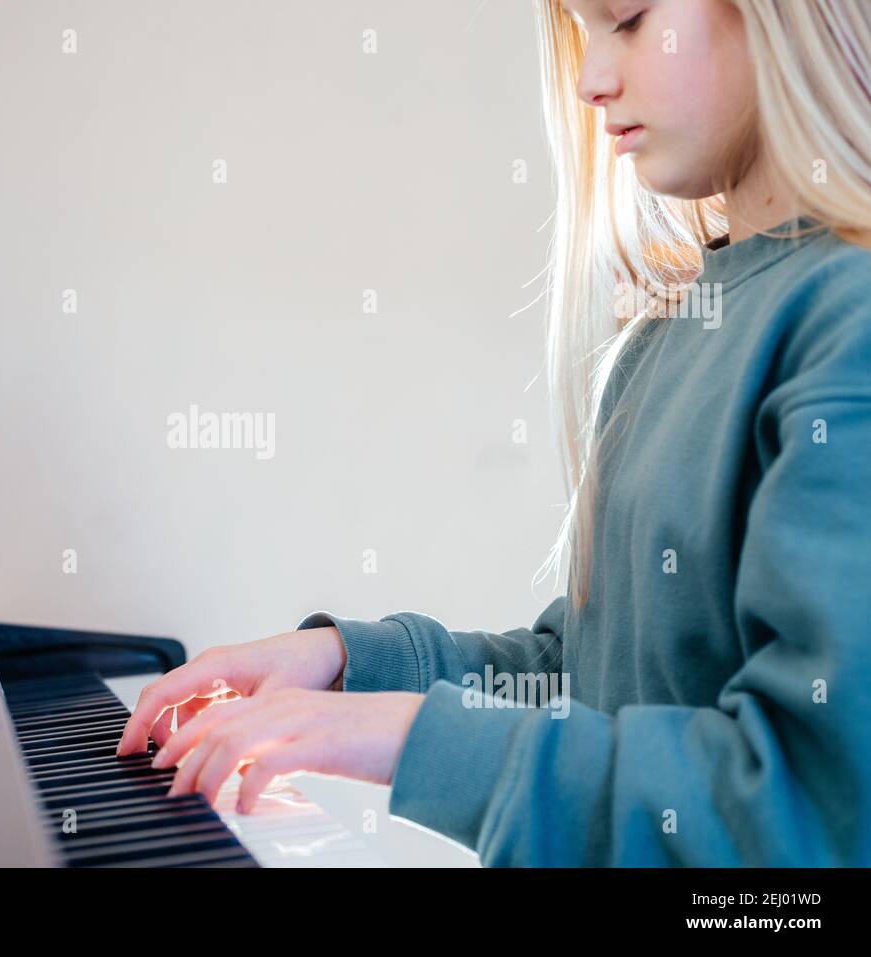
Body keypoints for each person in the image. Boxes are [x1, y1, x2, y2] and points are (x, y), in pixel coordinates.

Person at [117, 0, 871, 866]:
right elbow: (593, 684)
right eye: (583, 36)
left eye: (626, 20)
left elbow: (808, 815)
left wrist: (407, 738)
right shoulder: (668, 335)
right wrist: (344, 665)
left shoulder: (846, 326)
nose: (591, 79)